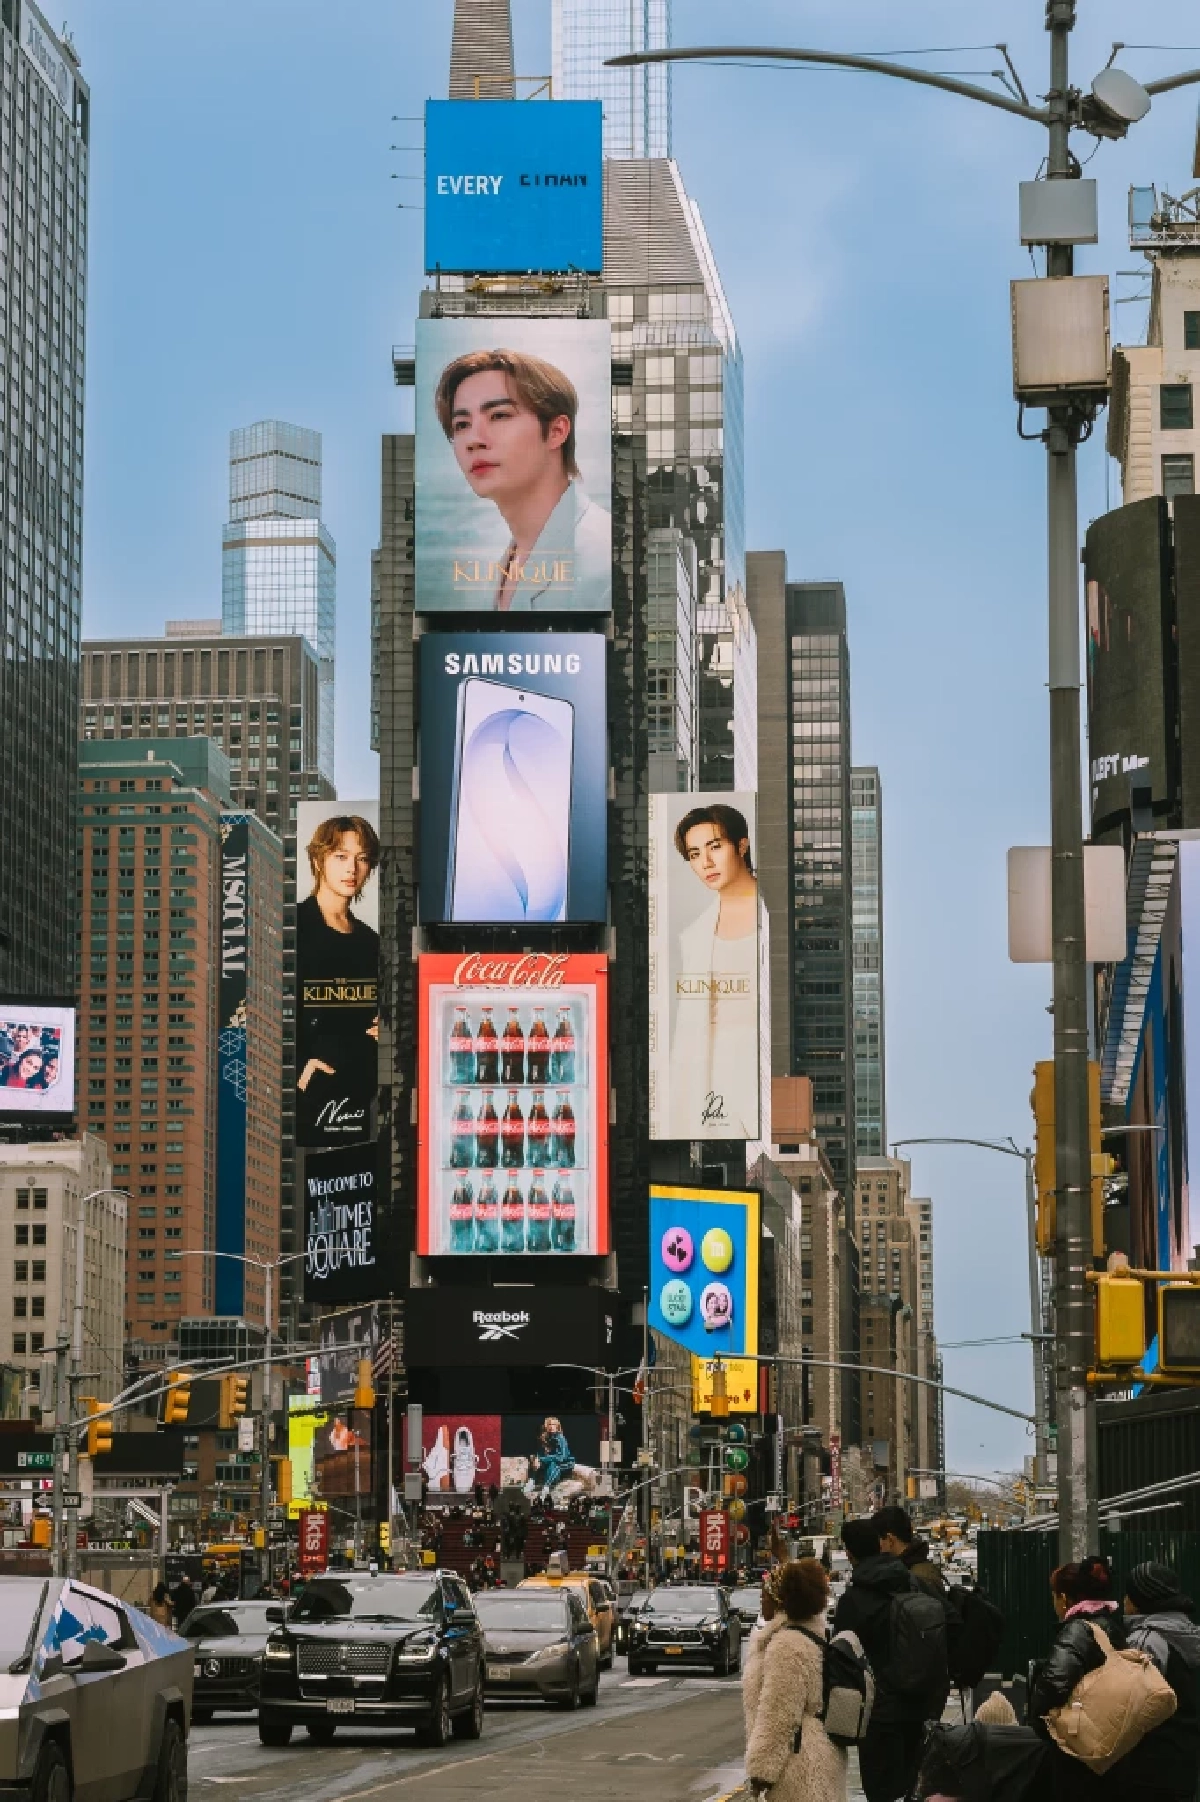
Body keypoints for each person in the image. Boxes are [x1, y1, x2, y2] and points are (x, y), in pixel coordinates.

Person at [433, 347, 611, 612]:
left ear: (556, 431)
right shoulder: (499, 571)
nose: (473, 440)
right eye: (461, 425)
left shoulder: (604, 563)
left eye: (499, 416)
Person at [833, 1517, 948, 1802]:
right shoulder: (914, 1582)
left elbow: (841, 1657)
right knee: (914, 1786)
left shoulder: (854, 1599)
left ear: (850, 1553)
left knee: (882, 1790)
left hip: (879, 1713)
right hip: (920, 1704)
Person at [669, 803, 760, 1138]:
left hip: (764, 1073)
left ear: (742, 845)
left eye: (715, 847)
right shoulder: (693, 936)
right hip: (712, 1080)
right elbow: (687, 1034)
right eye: (694, 854)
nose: (705, 863)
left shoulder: (776, 916)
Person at [296, 813, 380, 1147]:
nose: (352, 869)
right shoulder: (296, 927)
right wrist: (300, 1072)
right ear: (318, 860)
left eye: (361, 859)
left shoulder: (371, 941)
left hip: (363, 1092)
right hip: (309, 1094)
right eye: (341, 856)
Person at [744, 1557, 848, 1802]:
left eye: (766, 1593)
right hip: (819, 1755)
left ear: (781, 1600)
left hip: (798, 1765)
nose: (761, 1599)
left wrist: (761, 1772)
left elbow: (779, 1715)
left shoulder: (786, 1645)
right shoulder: (814, 1633)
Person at [1028, 1554, 1126, 1800]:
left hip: (1078, 1747)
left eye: (1054, 1595)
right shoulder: (1112, 1626)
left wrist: (1036, 1720)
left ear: (1063, 1598)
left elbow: (1054, 1684)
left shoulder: (1077, 1630)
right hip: (1111, 1741)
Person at [1119, 1561, 1200, 1802]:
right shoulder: (1193, 1636)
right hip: (1188, 1762)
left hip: (1150, 1766)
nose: (1123, 1601)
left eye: (1128, 1595)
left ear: (1138, 1600)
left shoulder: (1145, 1642)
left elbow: (1131, 1706)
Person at [873, 1505, 945, 1596]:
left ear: (890, 1540)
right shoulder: (909, 1570)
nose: (877, 1547)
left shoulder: (918, 1578)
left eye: (878, 1540)